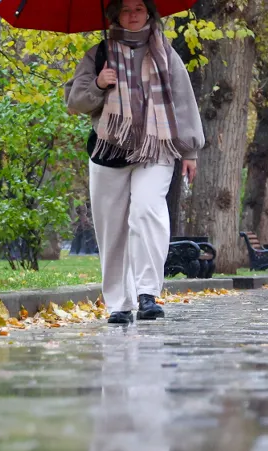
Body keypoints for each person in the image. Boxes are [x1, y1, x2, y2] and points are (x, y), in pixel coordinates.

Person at [65, 0, 204, 324]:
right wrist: (99, 84)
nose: (132, 15)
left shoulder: (165, 54)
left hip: (156, 149)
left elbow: (184, 102)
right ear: (115, 15)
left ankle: (147, 294)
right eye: (125, 9)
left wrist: (190, 151)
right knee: (111, 228)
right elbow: (75, 102)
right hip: (108, 151)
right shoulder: (98, 53)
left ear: (149, 13)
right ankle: (119, 303)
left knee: (147, 211)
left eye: (139, 8)